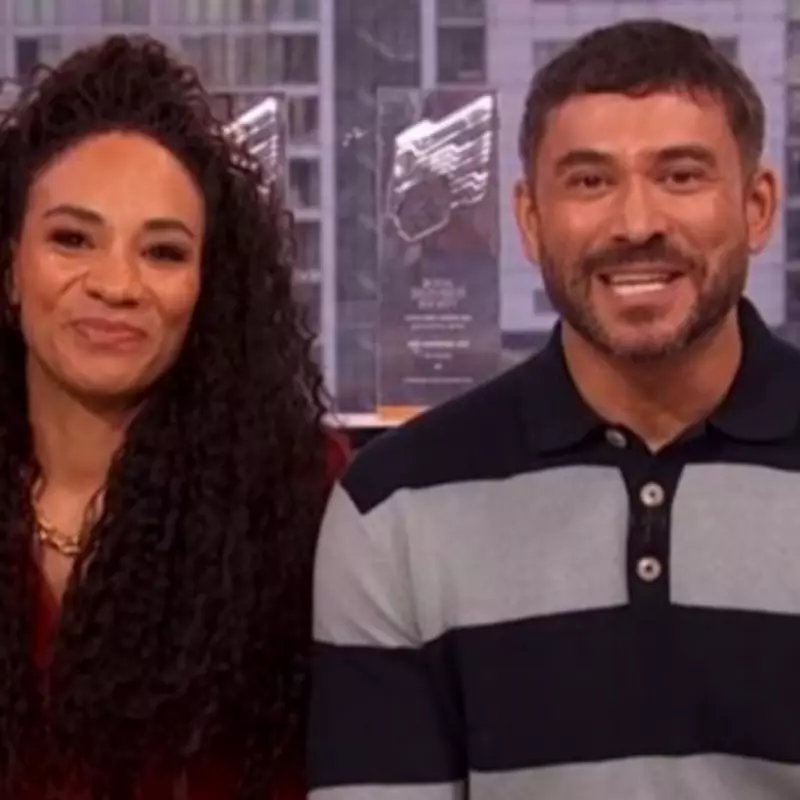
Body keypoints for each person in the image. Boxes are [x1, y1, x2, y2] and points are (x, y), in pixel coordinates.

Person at [308, 19, 800, 800]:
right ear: (531, 222)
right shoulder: (395, 507)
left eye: (680, 175)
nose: (636, 224)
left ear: (758, 206)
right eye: (590, 182)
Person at [0, 35, 347, 799]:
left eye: (162, 252)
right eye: (72, 239)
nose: (116, 285)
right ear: (10, 270)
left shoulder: (307, 500)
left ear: (206, 288)